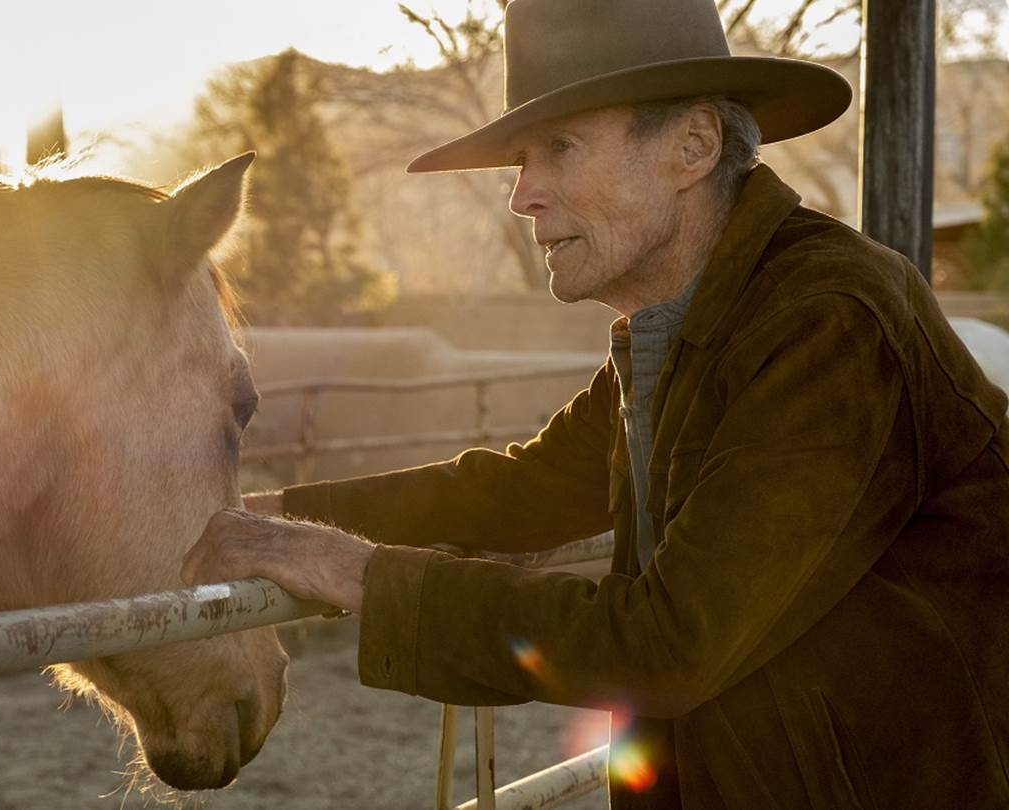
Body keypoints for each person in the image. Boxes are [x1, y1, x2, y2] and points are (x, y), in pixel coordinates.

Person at [179, 0, 1009, 807]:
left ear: (693, 146)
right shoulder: (693, 323)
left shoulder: (827, 321)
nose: (522, 195)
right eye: (522, 159)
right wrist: (265, 518)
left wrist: (347, 570)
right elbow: (526, 489)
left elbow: (670, 642)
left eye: (560, 148)